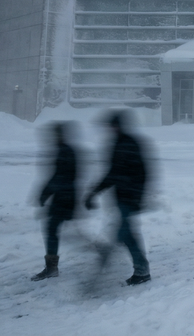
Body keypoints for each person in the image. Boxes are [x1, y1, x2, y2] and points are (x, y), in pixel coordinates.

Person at [85, 110, 153, 286]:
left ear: (119, 126)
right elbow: (113, 173)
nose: (111, 129)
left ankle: (107, 264)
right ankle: (141, 270)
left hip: (130, 197)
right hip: (123, 197)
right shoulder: (117, 144)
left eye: (113, 126)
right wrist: (95, 191)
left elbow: (143, 173)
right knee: (127, 234)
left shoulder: (131, 144)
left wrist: (137, 196)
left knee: (122, 233)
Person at [32, 121, 80, 281]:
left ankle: (52, 268)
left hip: (64, 198)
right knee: (54, 230)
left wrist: (45, 193)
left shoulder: (65, 151)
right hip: (63, 197)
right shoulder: (65, 150)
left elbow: (60, 177)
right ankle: (51, 267)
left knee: (53, 230)